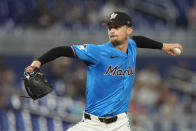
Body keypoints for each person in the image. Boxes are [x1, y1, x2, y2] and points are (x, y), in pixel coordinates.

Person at [25, 11, 183, 131]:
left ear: (129, 31)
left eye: (117, 27)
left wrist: (164, 46)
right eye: (110, 27)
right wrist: (36, 63)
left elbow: (140, 40)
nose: (112, 30)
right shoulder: (96, 52)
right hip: (91, 124)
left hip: (120, 124)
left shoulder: (132, 46)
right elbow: (61, 50)